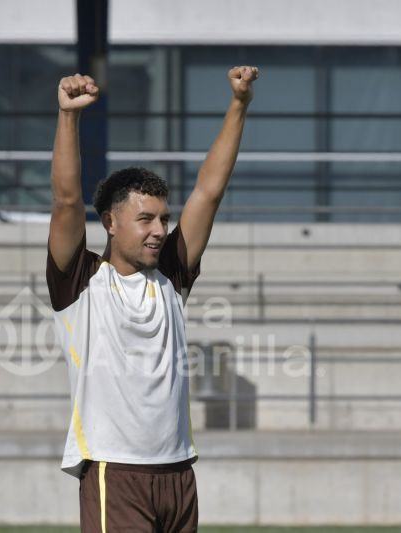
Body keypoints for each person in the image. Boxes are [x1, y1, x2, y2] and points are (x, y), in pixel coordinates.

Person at [46, 66, 259, 532]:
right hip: (115, 473)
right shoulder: (80, 282)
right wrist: (68, 118)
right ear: (109, 222)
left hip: (180, 472)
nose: (160, 230)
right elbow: (65, 201)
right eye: (145, 219)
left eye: (164, 219)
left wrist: (239, 103)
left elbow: (209, 190)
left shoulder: (171, 274)